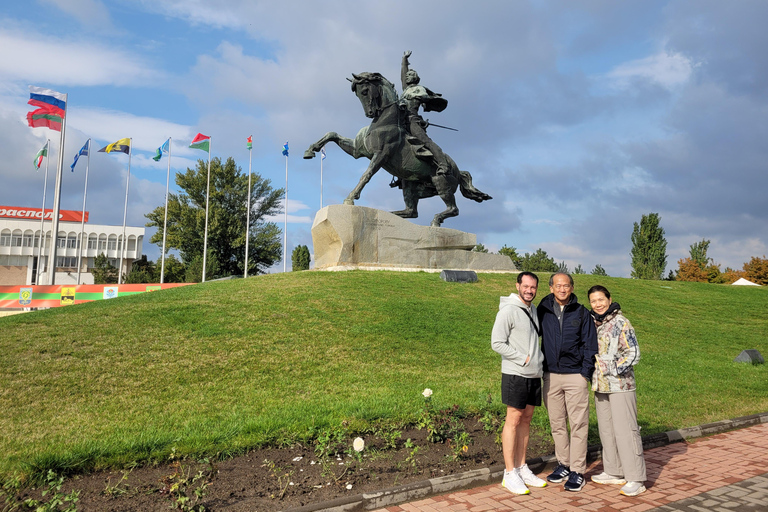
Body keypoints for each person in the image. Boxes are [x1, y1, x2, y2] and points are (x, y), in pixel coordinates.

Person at [537, 272, 598, 492]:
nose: (562, 289)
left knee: (579, 425)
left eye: (566, 286)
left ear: (572, 288)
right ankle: (563, 463)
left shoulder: (581, 313)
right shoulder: (542, 310)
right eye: (558, 285)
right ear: (551, 287)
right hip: (550, 376)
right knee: (557, 424)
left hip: (575, 377)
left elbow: (590, 345)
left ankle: (578, 470)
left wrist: (585, 373)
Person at [587, 285, 647, 496]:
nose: (598, 304)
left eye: (601, 299)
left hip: (621, 385)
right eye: (593, 301)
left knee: (626, 431)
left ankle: (636, 478)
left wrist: (610, 368)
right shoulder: (595, 324)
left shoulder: (621, 322)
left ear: (609, 299)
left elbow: (633, 353)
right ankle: (614, 471)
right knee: (607, 430)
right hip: (600, 386)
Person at [491, 272, 548, 495]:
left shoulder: (532, 310)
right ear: (517, 286)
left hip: (533, 375)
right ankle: (509, 472)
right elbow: (496, 342)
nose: (529, 290)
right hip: (515, 374)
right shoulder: (508, 310)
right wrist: (522, 358)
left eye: (533, 287)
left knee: (527, 419)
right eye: (525, 286)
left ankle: (522, 467)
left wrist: (535, 363)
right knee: (513, 420)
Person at [400, 50, 450, 176]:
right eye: (407, 75)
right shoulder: (406, 89)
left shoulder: (419, 89)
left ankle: (443, 164)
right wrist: (404, 60)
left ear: (415, 78)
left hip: (412, 120)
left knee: (425, 141)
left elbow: (424, 97)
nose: (407, 76)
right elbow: (403, 74)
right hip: (400, 120)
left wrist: (420, 98)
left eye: (410, 75)